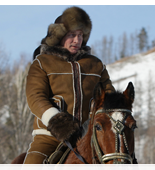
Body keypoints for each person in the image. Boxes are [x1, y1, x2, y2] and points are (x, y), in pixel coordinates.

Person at [22, 6, 115, 170]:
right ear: (59, 36)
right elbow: (35, 97)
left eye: (80, 35)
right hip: (50, 136)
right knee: (31, 166)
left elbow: (109, 97)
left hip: (89, 136)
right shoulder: (42, 62)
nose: (77, 40)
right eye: (72, 35)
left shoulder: (96, 65)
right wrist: (57, 122)